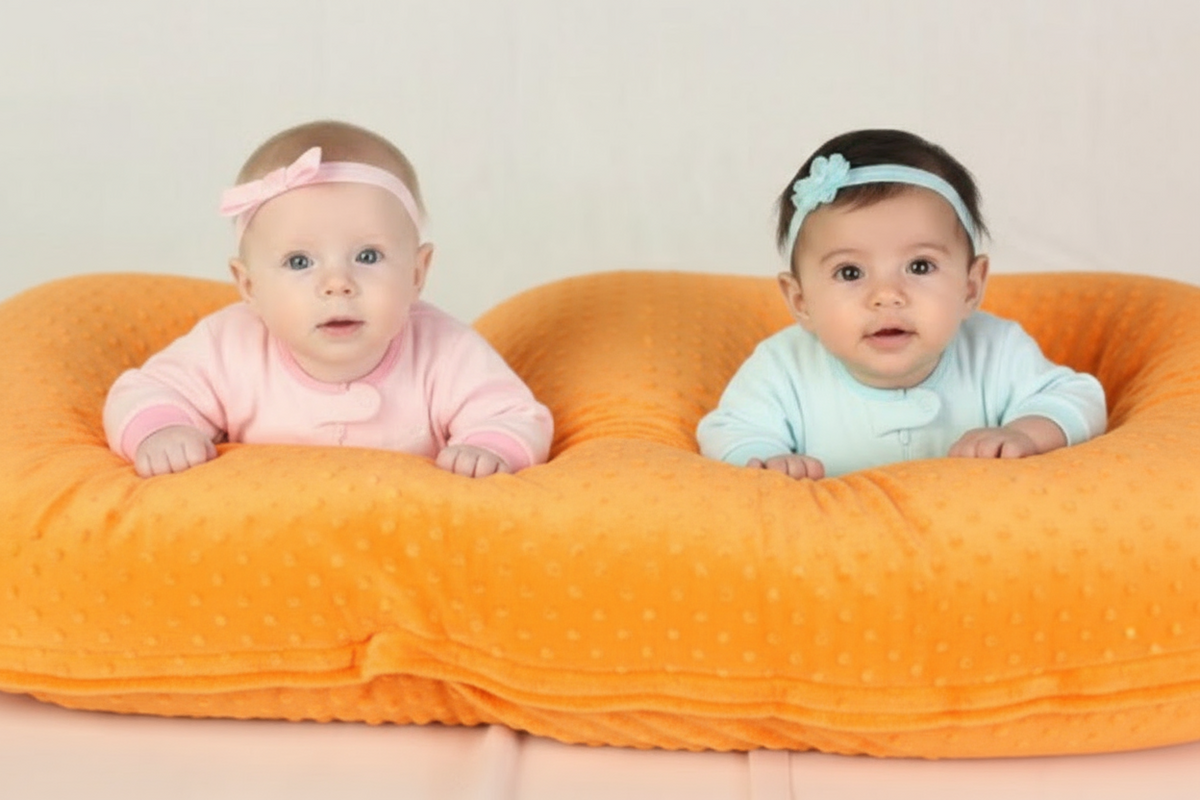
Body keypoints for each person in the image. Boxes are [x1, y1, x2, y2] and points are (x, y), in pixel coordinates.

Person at [105, 120, 553, 479]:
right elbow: (145, 391)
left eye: (367, 255)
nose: (337, 283)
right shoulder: (228, 346)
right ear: (249, 287)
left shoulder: (445, 351)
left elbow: (514, 412)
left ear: (417, 273)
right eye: (299, 262)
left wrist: (489, 446)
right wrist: (162, 430)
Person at [696, 128, 1106, 479]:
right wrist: (770, 459)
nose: (887, 295)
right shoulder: (782, 367)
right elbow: (728, 428)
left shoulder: (996, 350)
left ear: (970, 286)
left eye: (920, 265)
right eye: (850, 272)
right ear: (801, 301)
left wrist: (1025, 432)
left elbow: (1078, 397)